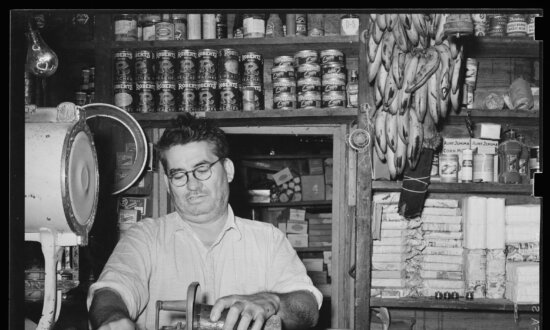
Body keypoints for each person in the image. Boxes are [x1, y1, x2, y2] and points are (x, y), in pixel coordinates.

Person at [87, 113, 322, 330]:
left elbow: (307, 309)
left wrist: (273, 301)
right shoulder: (145, 237)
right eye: (179, 175)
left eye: (202, 169)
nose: (192, 185)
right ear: (168, 186)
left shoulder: (267, 239)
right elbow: (113, 289)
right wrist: (112, 318)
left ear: (228, 170)